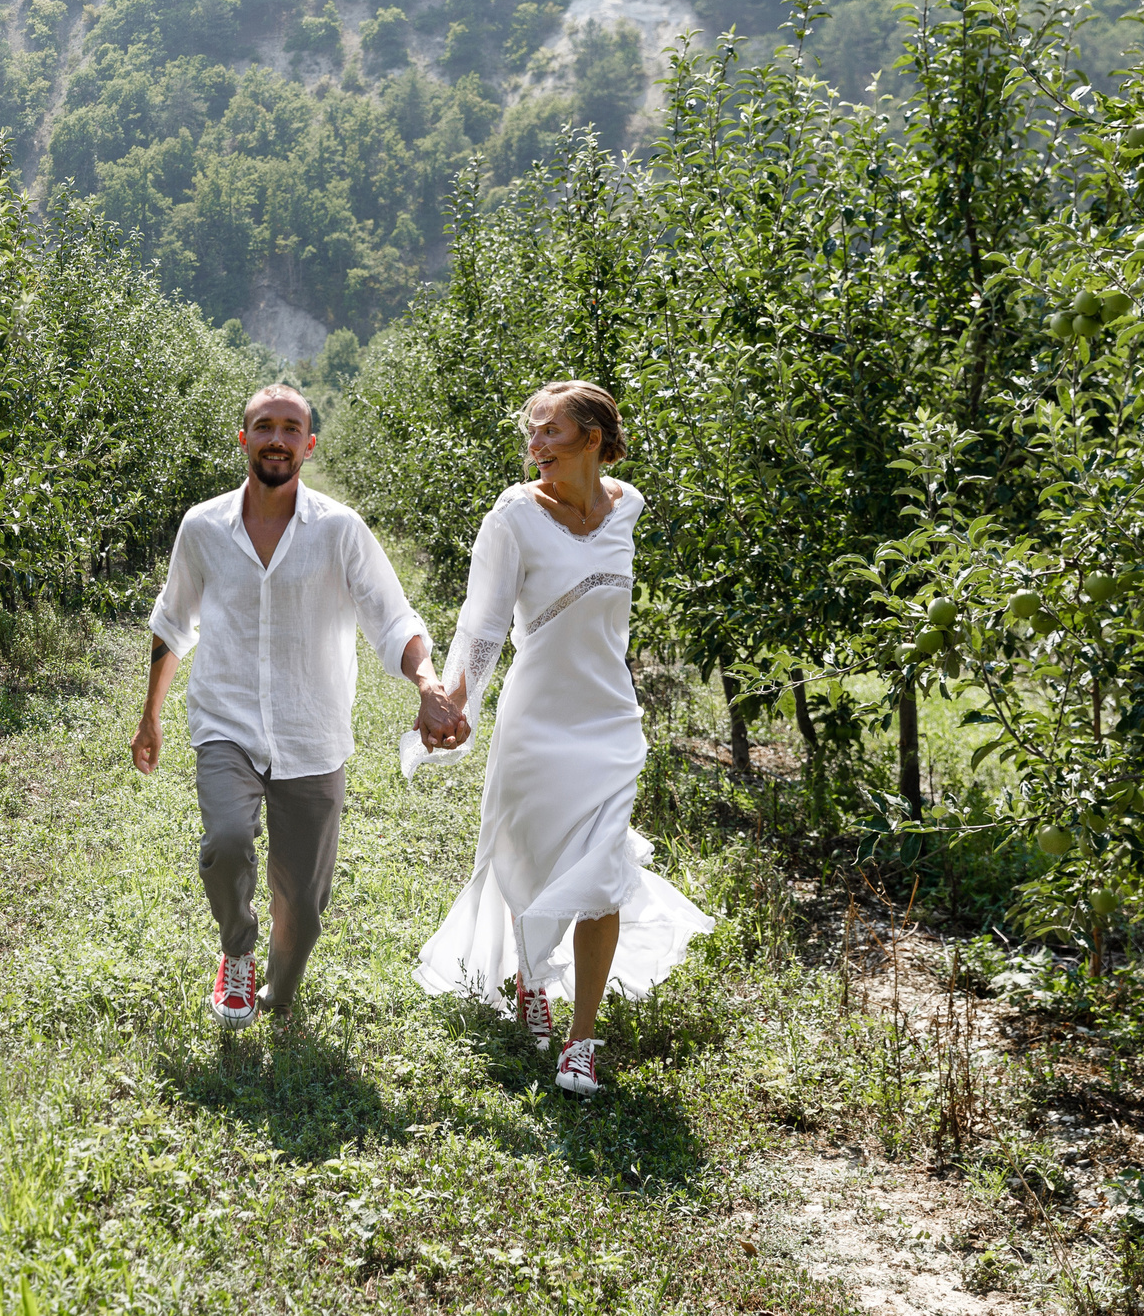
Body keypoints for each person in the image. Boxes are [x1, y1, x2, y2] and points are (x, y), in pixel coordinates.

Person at [413, 381, 713, 1095]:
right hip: (537, 719)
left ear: (594, 438)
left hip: (609, 717)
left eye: (550, 431)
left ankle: (580, 1042)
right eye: (532, 433)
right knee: (528, 856)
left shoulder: (629, 505)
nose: (536, 446)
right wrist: (453, 701)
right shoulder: (513, 516)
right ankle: (529, 979)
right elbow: (483, 626)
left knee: (604, 872)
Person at [132, 384, 465, 1028]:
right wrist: (152, 713)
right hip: (226, 722)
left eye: (291, 429)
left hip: (311, 731)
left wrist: (427, 684)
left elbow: (392, 618)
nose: (277, 439)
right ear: (244, 439)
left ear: (309, 445)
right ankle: (237, 956)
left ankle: (279, 992)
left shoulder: (339, 530)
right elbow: (173, 624)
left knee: (304, 908)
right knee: (226, 842)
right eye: (265, 426)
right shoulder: (203, 527)